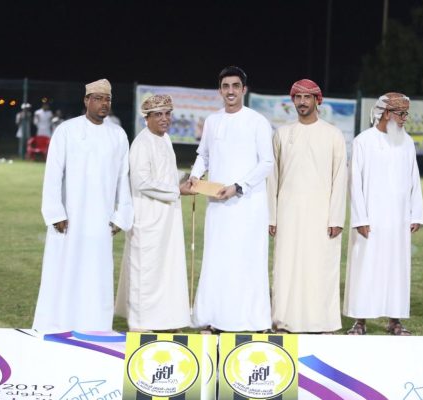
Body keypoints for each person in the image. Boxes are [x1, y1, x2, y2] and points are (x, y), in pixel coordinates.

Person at [33, 79, 133, 332]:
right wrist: (55, 212)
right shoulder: (67, 130)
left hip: (101, 219)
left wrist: (121, 215)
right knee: (63, 270)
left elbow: (124, 178)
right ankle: (56, 324)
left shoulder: (118, 135)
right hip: (69, 218)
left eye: (108, 99)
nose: (104, 104)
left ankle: (94, 326)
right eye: (98, 98)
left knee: (96, 273)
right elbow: (53, 173)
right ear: (87, 100)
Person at [189, 66, 274, 332]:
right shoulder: (212, 121)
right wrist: (195, 176)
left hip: (248, 205)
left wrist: (238, 186)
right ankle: (216, 318)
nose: (230, 91)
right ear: (220, 90)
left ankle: (254, 320)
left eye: (235, 86)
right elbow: (203, 155)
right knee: (218, 259)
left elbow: (267, 162)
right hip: (218, 204)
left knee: (247, 260)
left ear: (244, 89)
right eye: (225, 86)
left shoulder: (257, 121)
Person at [267, 79, 347, 333]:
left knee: (320, 268)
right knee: (286, 268)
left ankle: (322, 322)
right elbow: (273, 178)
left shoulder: (333, 134)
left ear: (316, 100)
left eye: (307, 97)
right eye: (297, 97)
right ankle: (283, 321)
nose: (302, 102)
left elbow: (340, 178)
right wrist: (271, 216)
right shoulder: (282, 134)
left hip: (321, 214)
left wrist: (336, 218)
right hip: (287, 213)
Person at [343, 92, 423, 336]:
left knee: (396, 269)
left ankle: (394, 320)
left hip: (398, 219)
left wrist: (416, 214)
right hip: (370, 220)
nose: (404, 119)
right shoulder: (363, 141)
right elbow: (354, 183)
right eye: (401, 114)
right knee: (364, 268)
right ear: (386, 113)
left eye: (406, 114)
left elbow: (414, 178)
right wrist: (360, 218)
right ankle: (360, 321)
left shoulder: (406, 142)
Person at [115, 94, 192, 332]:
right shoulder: (141, 143)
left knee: (166, 269)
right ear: (146, 118)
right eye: (158, 114)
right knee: (145, 270)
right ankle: (140, 324)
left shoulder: (164, 139)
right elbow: (142, 182)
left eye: (168, 114)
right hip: (147, 216)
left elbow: (165, 172)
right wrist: (177, 190)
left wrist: (186, 178)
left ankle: (165, 320)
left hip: (167, 216)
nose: (164, 119)